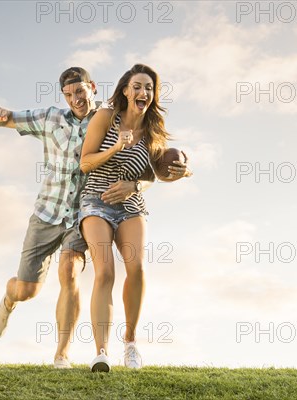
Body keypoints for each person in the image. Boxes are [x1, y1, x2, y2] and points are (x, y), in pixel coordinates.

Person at [0, 67, 137, 369]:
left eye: (80, 91)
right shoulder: (51, 118)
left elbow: (141, 154)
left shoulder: (107, 120)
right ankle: (9, 298)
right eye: (68, 95)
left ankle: (61, 354)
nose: (75, 99)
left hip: (84, 211)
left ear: (92, 87)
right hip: (47, 212)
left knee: (69, 270)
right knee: (27, 290)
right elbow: (9, 119)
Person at [79, 64, 192, 372]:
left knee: (137, 268)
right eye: (138, 86)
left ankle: (130, 344)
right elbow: (85, 162)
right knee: (105, 272)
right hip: (97, 199)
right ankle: (101, 352)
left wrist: (180, 172)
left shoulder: (153, 128)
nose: (144, 92)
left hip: (131, 204)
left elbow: (157, 174)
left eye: (149, 88)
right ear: (126, 90)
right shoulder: (106, 117)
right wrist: (117, 145)